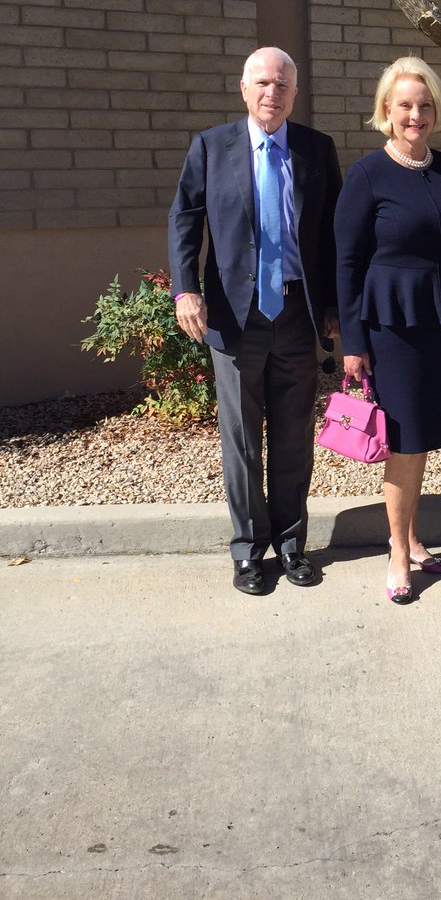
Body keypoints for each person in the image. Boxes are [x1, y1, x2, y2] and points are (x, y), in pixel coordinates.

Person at [168, 47, 342, 596]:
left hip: (296, 312)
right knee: (241, 439)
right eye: (263, 82)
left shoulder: (316, 148)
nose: (273, 93)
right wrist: (186, 289)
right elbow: (184, 219)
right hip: (233, 314)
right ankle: (248, 551)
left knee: (293, 435)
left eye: (283, 84)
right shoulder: (211, 146)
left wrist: (334, 306)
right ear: (244, 89)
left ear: (295, 94)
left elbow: (332, 234)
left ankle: (291, 544)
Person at [334, 56, 441, 606]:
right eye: (405, 106)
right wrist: (353, 343)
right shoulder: (368, 173)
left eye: (425, 105)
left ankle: (413, 538)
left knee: (420, 440)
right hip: (390, 325)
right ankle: (396, 551)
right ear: (386, 112)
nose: (416, 115)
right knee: (402, 441)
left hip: (438, 321)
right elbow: (347, 262)